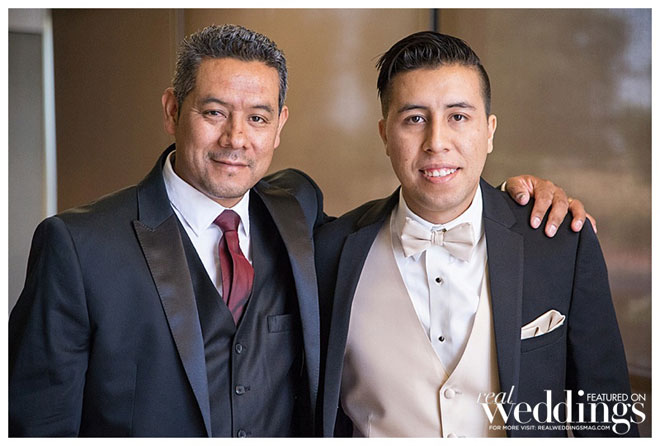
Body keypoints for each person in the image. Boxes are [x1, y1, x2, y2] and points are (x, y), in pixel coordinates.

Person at [9, 24, 586, 437]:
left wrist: (513, 198)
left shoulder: (298, 216)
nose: (237, 138)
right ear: (171, 110)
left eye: (257, 117)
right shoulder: (77, 247)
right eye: (213, 112)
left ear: (279, 125)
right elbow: (36, 426)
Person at [316, 31, 636, 438]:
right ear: (385, 135)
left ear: (489, 131)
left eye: (458, 117)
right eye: (414, 119)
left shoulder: (559, 241)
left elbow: (607, 420)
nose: (436, 142)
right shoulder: (329, 253)